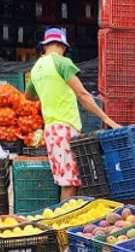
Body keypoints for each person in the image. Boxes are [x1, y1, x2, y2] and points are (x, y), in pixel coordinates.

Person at [24, 28, 119, 200]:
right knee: (70, 183)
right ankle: (65, 222)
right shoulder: (63, 62)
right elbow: (82, 95)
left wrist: (48, 92)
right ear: (62, 46)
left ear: (45, 46)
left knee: (66, 181)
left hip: (51, 131)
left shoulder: (37, 68)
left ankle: (65, 219)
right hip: (65, 129)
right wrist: (107, 119)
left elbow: (28, 96)